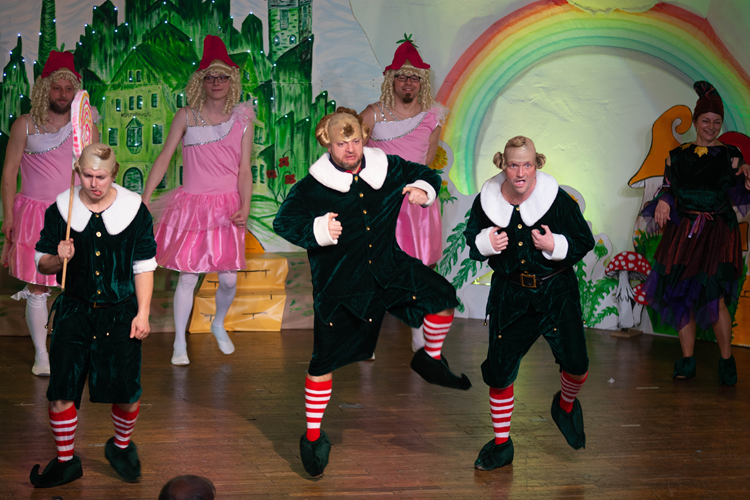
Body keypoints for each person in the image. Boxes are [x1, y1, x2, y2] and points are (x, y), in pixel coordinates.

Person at [273, 108, 471, 477]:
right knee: (323, 364)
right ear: (327, 143)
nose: (350, 149)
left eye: (355, 140)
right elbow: (283, 221)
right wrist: (317, 229)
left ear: (364, 137)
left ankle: (430, 357)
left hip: (388, 268)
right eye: (341, 143)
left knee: (442, 297)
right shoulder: (312, 187)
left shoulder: (387, 168)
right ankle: (313, 437)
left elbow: (427, 173)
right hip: (341, 285)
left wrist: (423, 190)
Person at [29, 143, 156, 487]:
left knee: (127, 395)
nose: (94, 183)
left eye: (101, 176)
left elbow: (144, 265)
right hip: (74, 310)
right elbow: (42, 264)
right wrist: (58, 257)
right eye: (87, 175)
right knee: (60, 393)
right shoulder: (61, 209)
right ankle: (66, 461)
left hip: (120, 312)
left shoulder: (135, 211)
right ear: (77, 171)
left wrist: (143, 313)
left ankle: (121, 447)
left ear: (114, 173)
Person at [463, 136, 594, 470]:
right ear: (502, 165)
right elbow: (471, 240)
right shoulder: (487, 201)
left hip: (556, 292)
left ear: (537, 165)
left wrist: (555, 244)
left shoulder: (557, 200)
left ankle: (565, 406)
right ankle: (502, 445)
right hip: (510, 295)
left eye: (527, 164)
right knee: (500, 373)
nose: (520, 173)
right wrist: (486, 243)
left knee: (577, 366)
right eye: (513, 165)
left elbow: (584, 240)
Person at [142, 35, 253, 365]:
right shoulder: (186, 116)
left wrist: (245, 206)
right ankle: (179, 343)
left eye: (222, 77)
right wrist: (145, 197)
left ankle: (218, 323)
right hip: (192, 206)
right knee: (188, 276)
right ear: (201, 81)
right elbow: (164, 158)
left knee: (229, 279)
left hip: (227, 208)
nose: (216, 82)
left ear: (231, 81)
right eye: (210, 77)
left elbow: (244, 170)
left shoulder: (242, 120)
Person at [642, 81, 750, 385]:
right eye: (706, 121)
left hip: (718, 234)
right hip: (684, 233)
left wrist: (746, 172)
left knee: (714, 298)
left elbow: (741, 186)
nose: (711, 127)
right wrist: (664, 200)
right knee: (681, 297)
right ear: (695, 121)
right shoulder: (677, 156)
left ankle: (726, 362)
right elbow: (667, 187)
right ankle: (687, 360)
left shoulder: (732, 155)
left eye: (716, 122)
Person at [1, 52, 97, 376]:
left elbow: (96, 171)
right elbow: (9, 172)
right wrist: (8, 217)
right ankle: (42, 355)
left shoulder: (84, 127)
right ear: (45, 88)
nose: (63, 94)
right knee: (39, 287)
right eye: (57, 88)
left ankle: (73, 349)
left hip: (74, 213)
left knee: (78, 286)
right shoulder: (25, 125)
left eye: (69, 88)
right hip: (35, 216)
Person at [361, 35, 447, 352]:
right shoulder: (372, 115)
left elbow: (427, 160)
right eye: (402, 76)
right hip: (382, 204)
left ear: (422, 81)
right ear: (391, 80)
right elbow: (352, 156)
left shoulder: (433, 117)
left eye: (414, 77)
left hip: (417, 205)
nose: (408, 82)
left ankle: (417, 333)